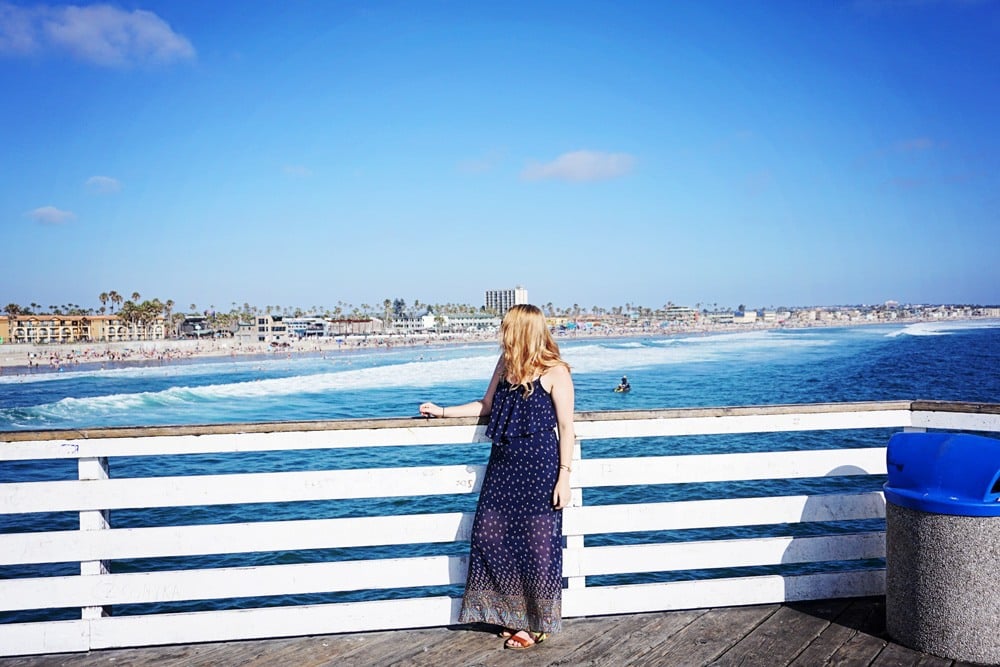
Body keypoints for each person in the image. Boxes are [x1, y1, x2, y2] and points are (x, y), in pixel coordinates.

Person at [419, 304, 575, 651]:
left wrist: (564, 477)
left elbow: (566, 428)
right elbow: (486, 405)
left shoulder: (555, 372)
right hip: (503, 466)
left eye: (508, 328)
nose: (502, 333)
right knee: (489, 536)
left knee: (538, 546)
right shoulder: (505, 366)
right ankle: (510, 614)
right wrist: (443, 411)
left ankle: (536, 625)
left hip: (540, 468)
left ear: (524, 330)